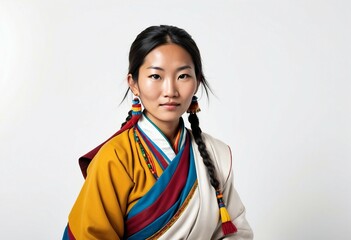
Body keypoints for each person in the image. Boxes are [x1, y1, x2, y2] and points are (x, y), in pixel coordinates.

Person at [63, 25, 253, 240]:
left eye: (182, 76)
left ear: (197, 82)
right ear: (133, 83)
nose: (170, 91)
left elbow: (235, 231)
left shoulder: (214, 154)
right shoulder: (115, 157)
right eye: (155, 76)